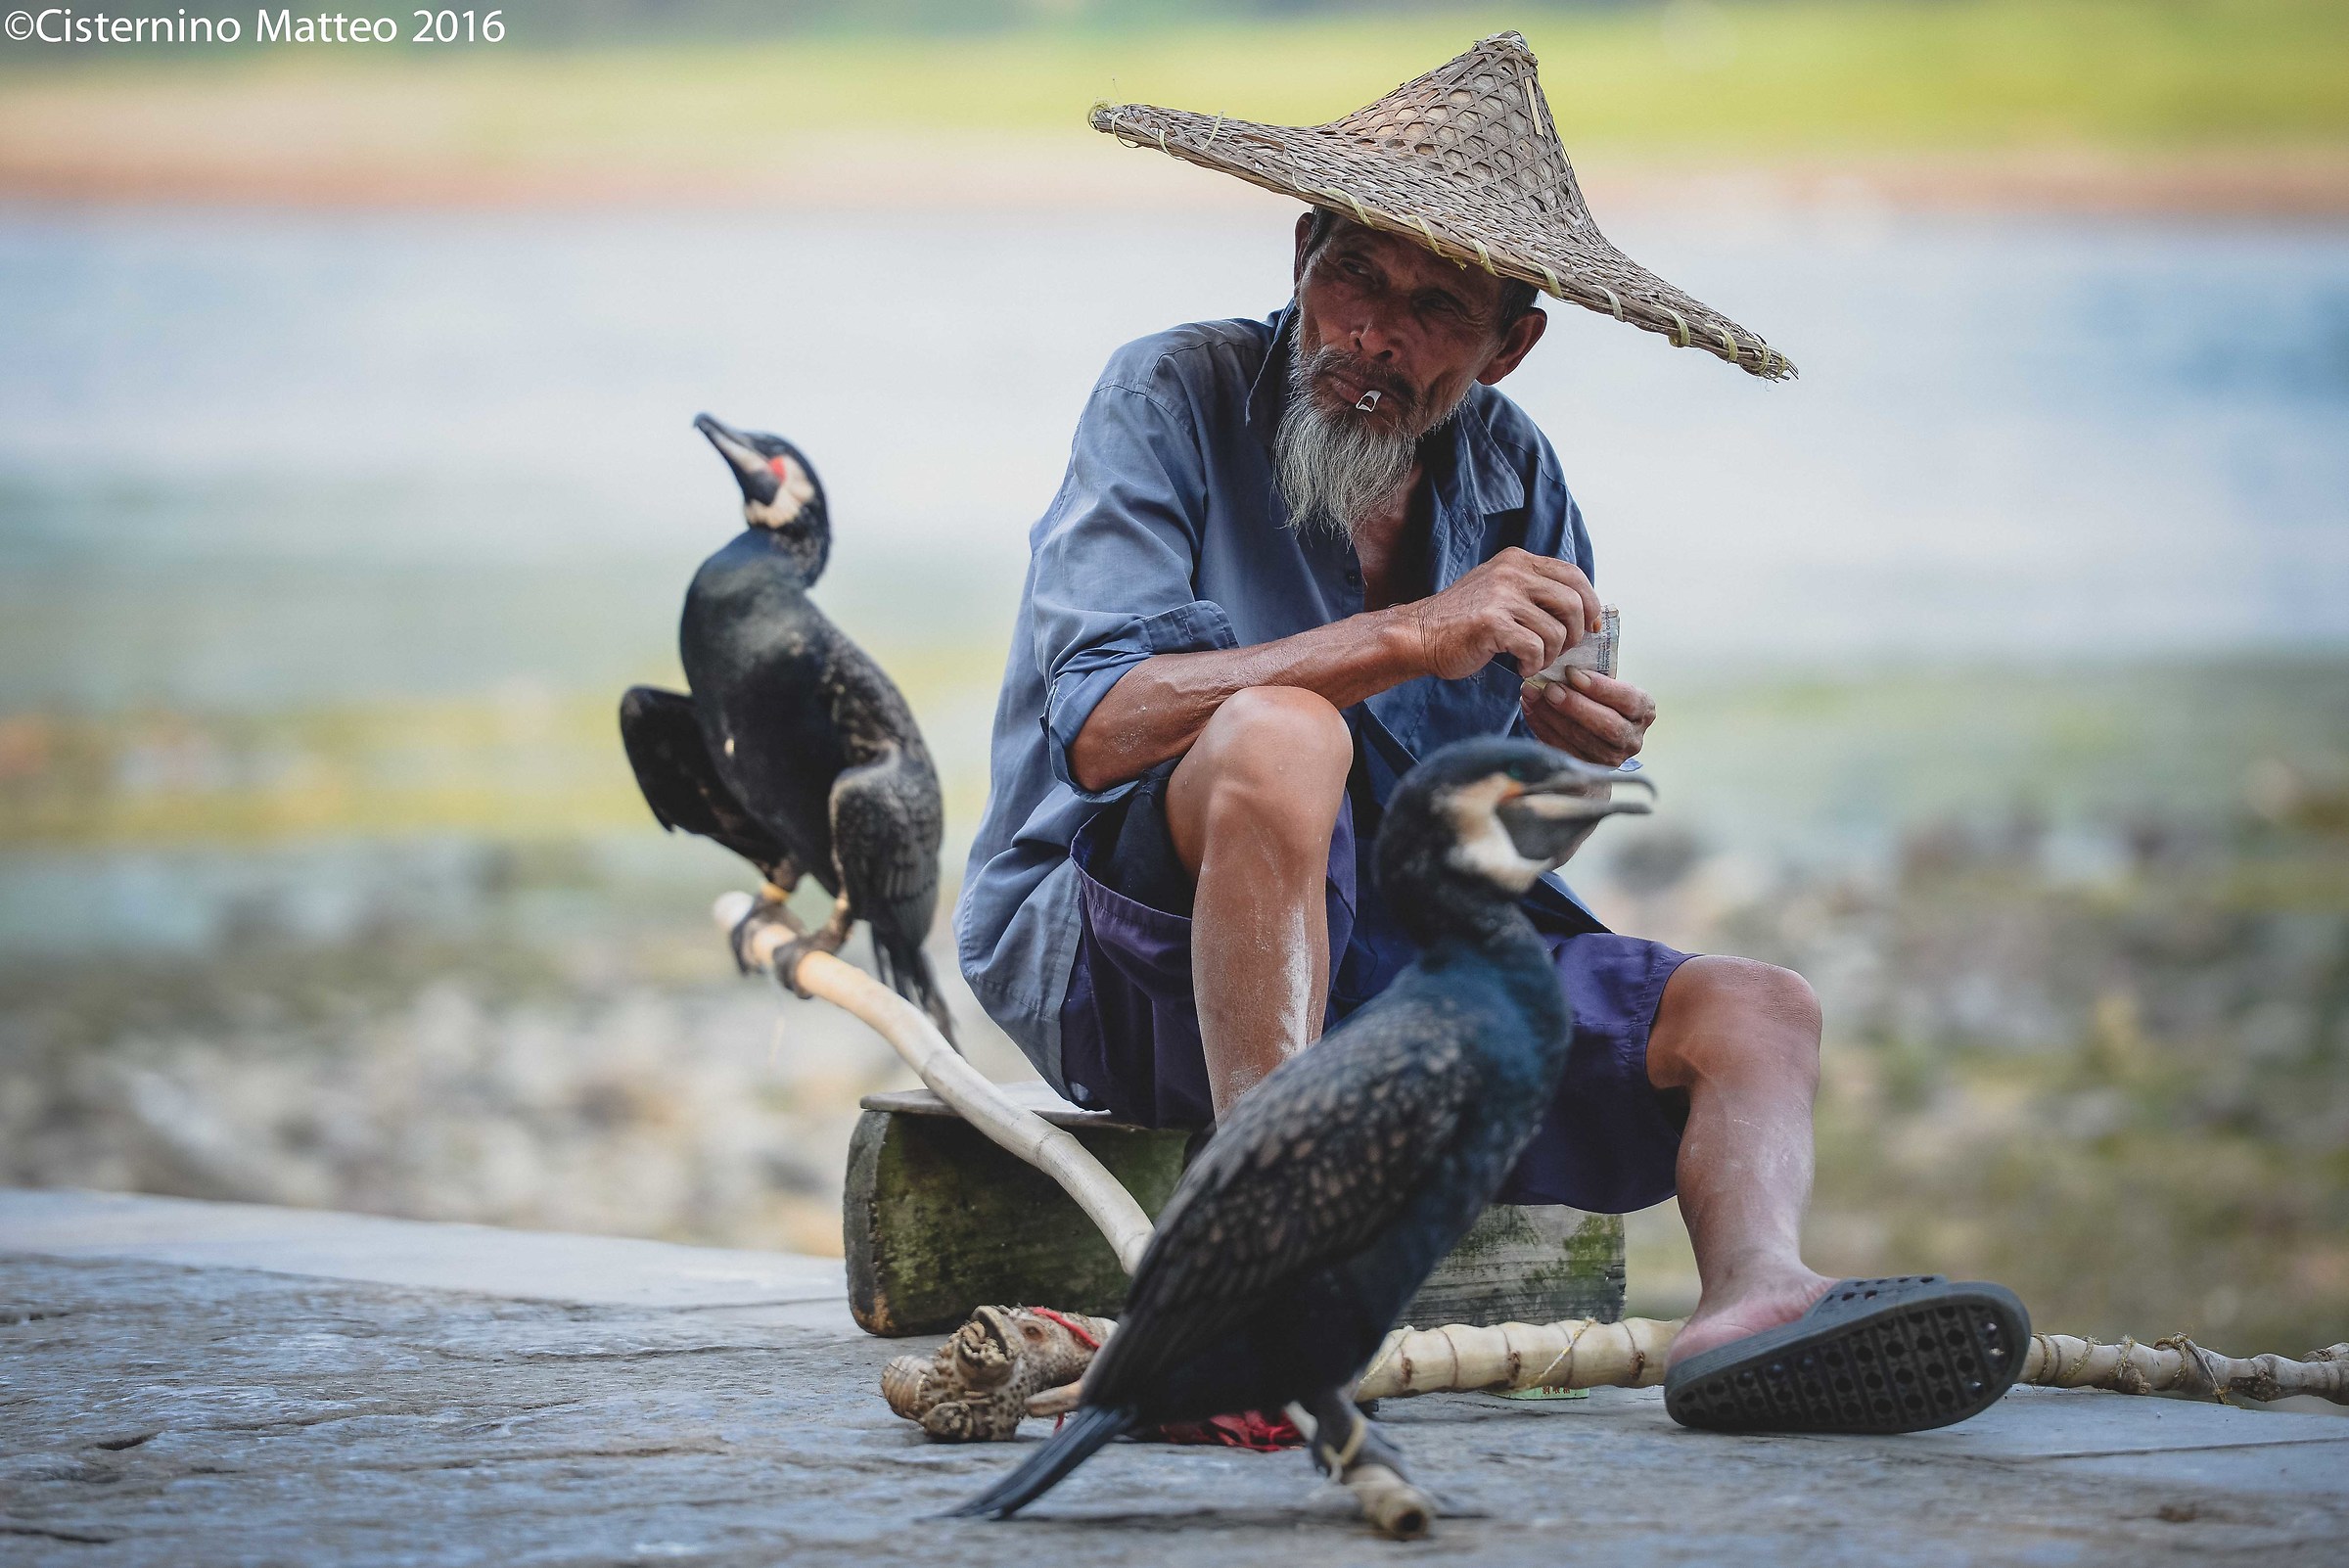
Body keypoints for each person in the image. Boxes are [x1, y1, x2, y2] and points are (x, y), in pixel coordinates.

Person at [957, 35, 1990, 1405]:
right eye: (1354, 277)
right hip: (1123, 959)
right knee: (1283, 736)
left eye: (1437, 307)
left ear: (1513, 342)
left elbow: (1474, 822)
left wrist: (1556, 743)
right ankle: (1266, 1239)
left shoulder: (1509, 473)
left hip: (1392, 974)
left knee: (1759, 1012)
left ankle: (1754, 1306)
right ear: (1301, 255)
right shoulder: (1172, 395)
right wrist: (1406, 638)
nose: (1374, 335)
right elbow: (1099, 727)